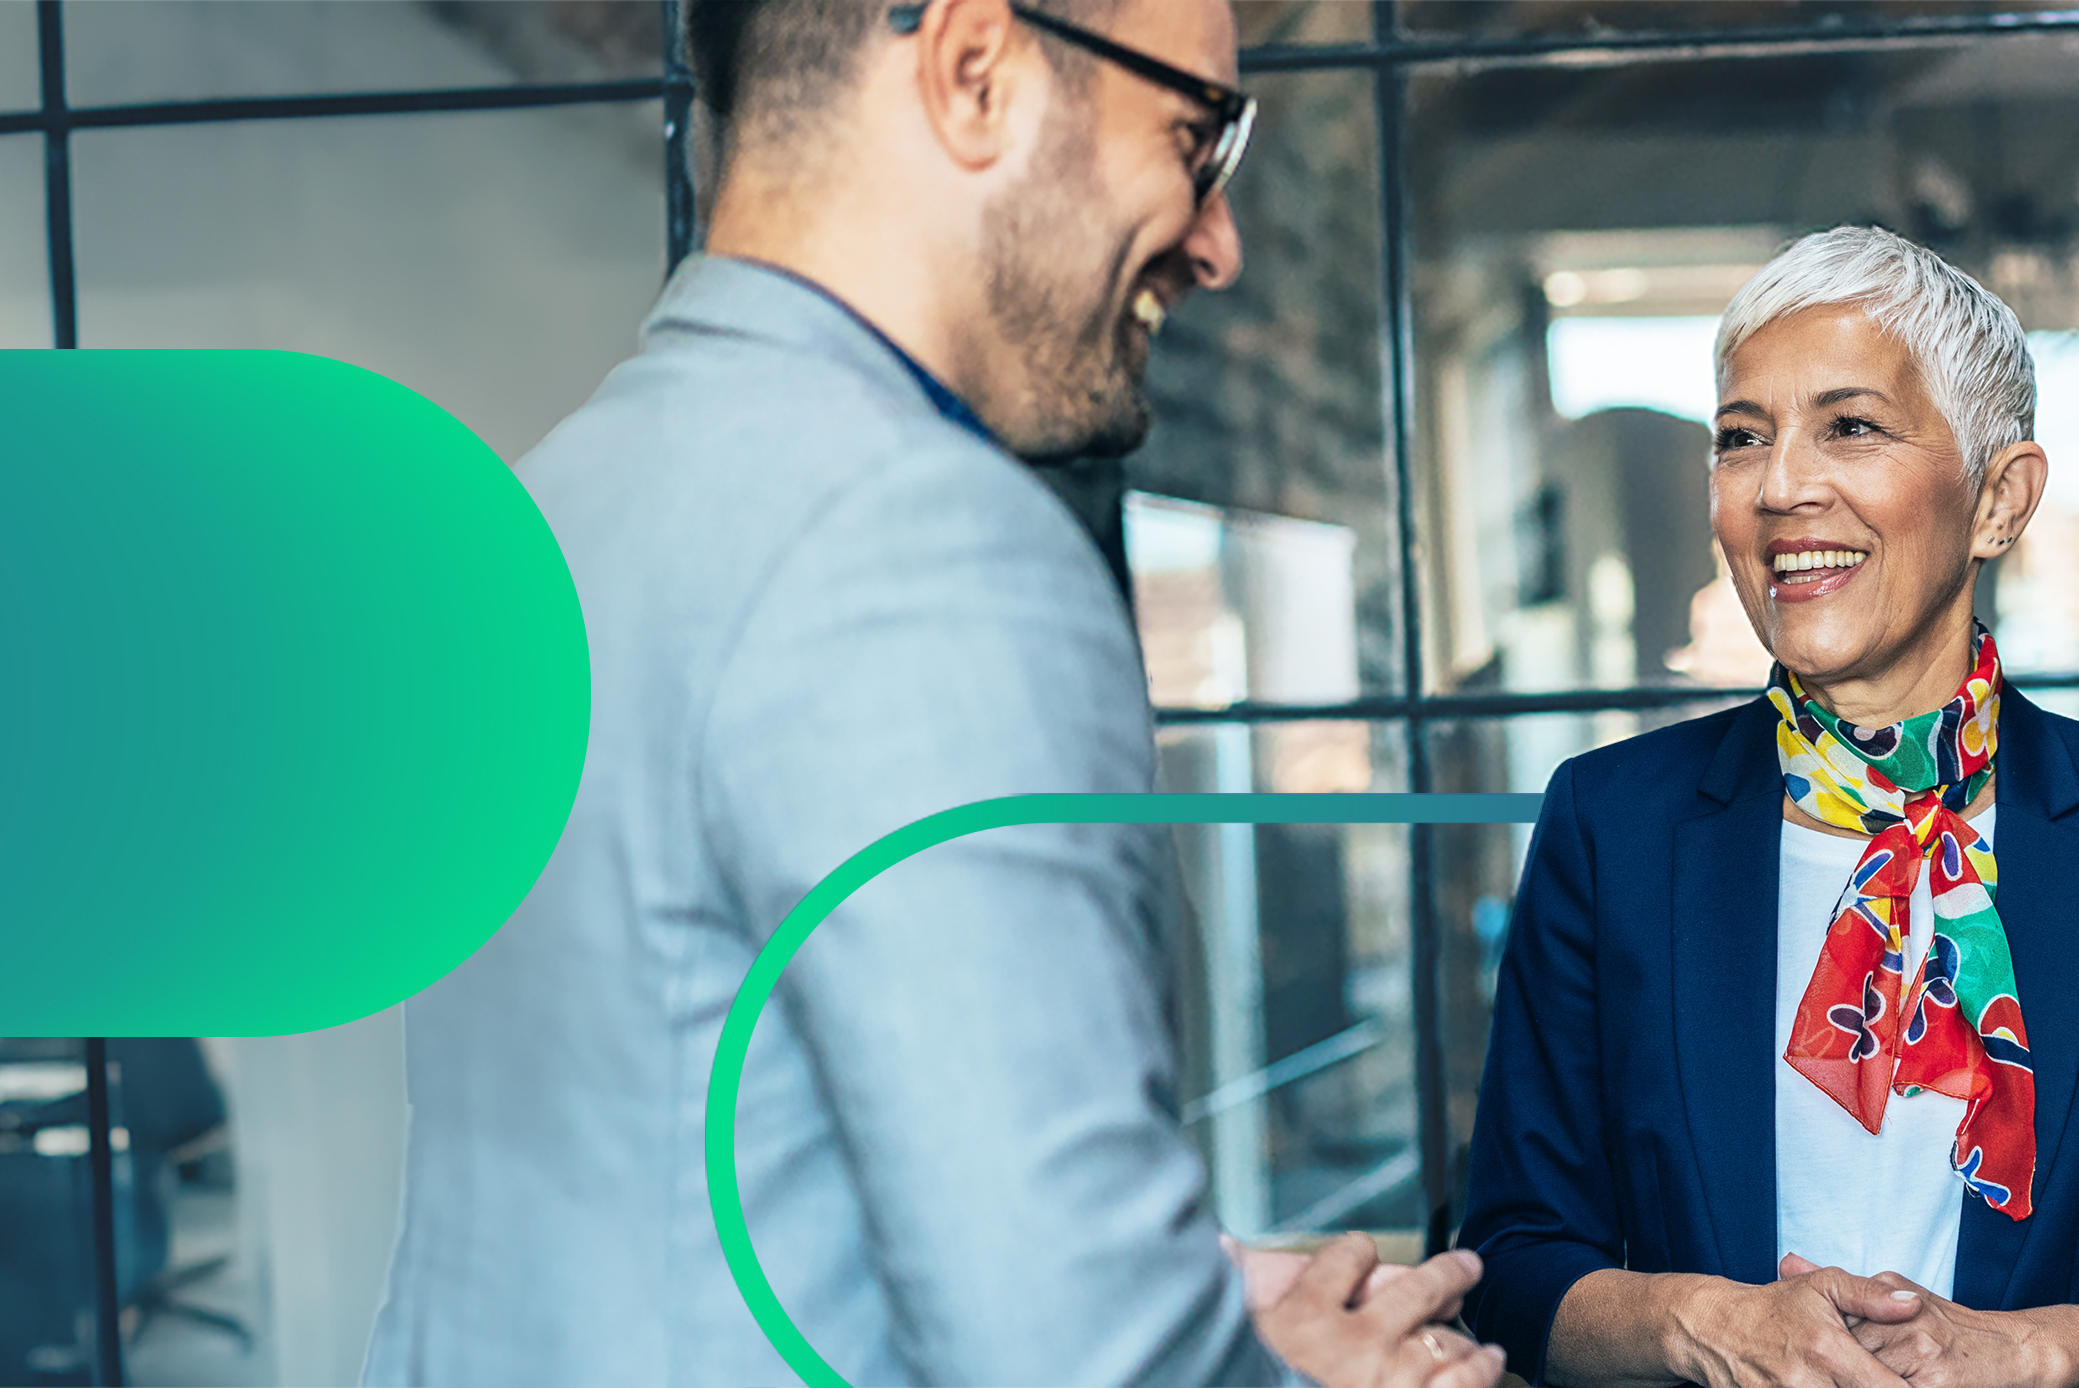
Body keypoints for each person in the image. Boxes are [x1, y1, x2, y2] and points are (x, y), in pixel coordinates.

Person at [367, 1, 1496, 1384]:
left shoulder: (549, 511)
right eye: (1195, 137)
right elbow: (1077, 1364)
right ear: (974, 72)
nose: (1219, 242)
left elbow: (671, 1197)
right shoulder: (918, 539)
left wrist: (1202, 1313)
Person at [1452, 226, 2079, 1388]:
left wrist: (2012, 1352)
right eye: (1741, 437)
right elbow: (1508, 1258)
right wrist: (1702, 1321)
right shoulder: (1610, 825)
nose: (1780, 486)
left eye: (1849, 426)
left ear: (1999, 499)